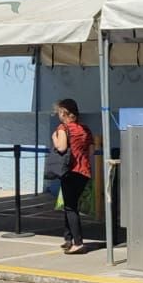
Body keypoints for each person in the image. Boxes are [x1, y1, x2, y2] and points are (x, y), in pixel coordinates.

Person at [51, 98, 94, 255]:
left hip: (69, 171)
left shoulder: (63, 128)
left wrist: (54, 138)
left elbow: (61, 147)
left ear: (64, 112)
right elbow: (90, 151)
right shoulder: (85, 129)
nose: (57, 115)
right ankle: (68, 238)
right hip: (84, 171)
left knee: (70, 207)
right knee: (71, 204)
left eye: (58, 112)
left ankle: (78, 242)